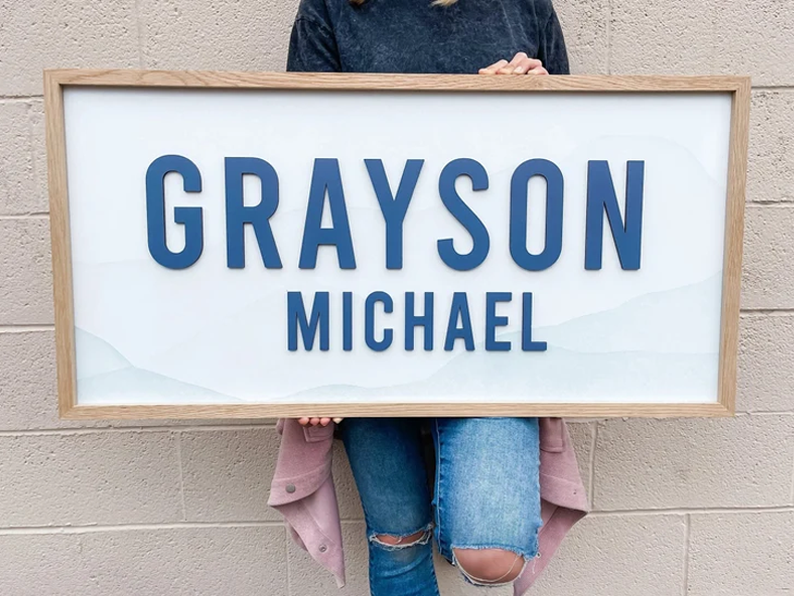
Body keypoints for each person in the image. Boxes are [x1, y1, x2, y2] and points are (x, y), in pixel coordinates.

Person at [284, 1, 577, 594]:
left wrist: (537, 105)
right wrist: (312, 362)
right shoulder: (333, 8)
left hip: (489, 325)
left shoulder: (522, 6)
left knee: (492, 551)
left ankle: (453, 496)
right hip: (365, 318)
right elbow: (299, 171)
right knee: (397, 540)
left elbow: (571, 171)